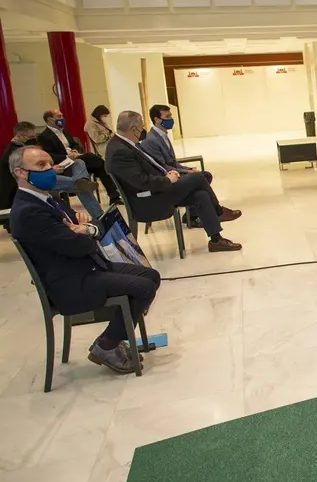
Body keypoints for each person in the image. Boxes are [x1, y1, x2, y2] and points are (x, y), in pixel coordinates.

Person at [8, 145, 160, 375]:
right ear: (20, 172)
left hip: (86, 268)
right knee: (143, 288)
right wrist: (86, 232)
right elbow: (80, 246)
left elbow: (89, 225)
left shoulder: (46, 199)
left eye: (50, 163)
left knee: (150, 275)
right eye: (41, 165)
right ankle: (107, 345)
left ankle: (116, 334)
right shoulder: (30, 211)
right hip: (71, 282)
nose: (50, 169)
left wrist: (85, 229)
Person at [105, 111, 243, 253]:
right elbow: (142, 182)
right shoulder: (119, 151)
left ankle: (216, 240)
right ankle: (218, 211)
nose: (143, 130)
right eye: (141, 127)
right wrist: (167, 179)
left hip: (157, 190)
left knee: (201, 195)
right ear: (133, 129)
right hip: (148, 200)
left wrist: (168, 173)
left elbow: (151, 167)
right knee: (198, 177)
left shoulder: (126, 144)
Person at [2, 122, 101, 220]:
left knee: (78, 164)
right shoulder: (13, 153)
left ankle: (80, 181)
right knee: (80, 186)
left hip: (45, 173)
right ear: (20, 136)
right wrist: (51, 170)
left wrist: (51, 167)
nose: (34, 139)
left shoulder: (26, 147)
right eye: (31, 137)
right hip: (28, 183)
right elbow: (28, 173)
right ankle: (98, 215)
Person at [38, 109, 123, 205]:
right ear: (50, 120)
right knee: (94, 159)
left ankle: (114, 197)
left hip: (77, 158)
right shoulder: (44, 136)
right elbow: (49, 154)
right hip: (63, 163)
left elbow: (74, 144)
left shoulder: (64, 131)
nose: (62, 118)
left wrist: (74, 152)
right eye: (59, 116)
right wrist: (67, 156)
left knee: (99, 166)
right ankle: (79, 184)